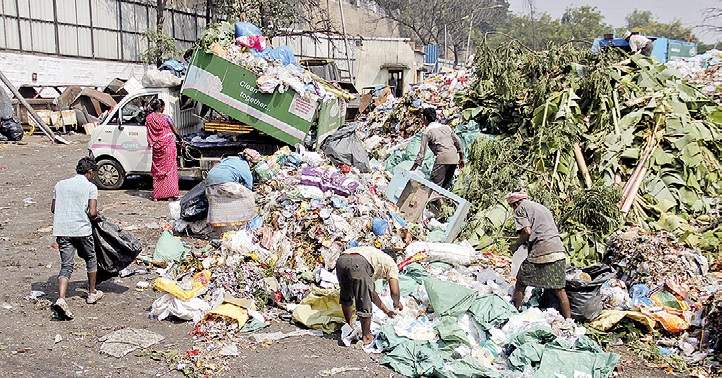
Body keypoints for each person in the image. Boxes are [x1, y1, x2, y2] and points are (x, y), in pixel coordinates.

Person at [51, 157, 103, 320]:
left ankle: (61, 298)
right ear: (89, 172)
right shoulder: (90, 187)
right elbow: (92, 213)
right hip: (81, 230)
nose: (94, 176)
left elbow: (53, 208)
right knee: (90, 258)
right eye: (93, 173)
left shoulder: (60, 185)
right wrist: (96, 218)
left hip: (62, 230)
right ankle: (92, 293)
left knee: (66, 265)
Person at [507, 191, 572, 319]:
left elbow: (527, 231)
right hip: (558, 249)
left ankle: (513, 313)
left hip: (542, 249)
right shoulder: (542, 208)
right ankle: (569, 321)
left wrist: (516, 245)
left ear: (514, 204)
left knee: (521, 282)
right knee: (559, 289)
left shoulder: (520, 209)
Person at [336, 246, 403, 345]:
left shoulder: (374, 255)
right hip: (358, 263)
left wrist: (387, 311)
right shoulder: (391, 263)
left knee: (346, 293)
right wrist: (397, 303)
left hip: (341, 260)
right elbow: (395, 292)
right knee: (364, 300)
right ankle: (366, 336)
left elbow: (372, 293)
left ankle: (350, 326)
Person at [410, 107, 465, 190]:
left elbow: (421, 154)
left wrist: (412, 169)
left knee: (434, 187)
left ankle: (436, 202)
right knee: (445, 188)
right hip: (454, 158)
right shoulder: (447, 127)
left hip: (443, 158)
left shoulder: (427, 132)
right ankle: (443, 202)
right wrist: (461, 158)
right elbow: (458, 142)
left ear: (424, 118)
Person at [205, 149, 261, 228]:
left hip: (209, 182)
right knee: (248, 196)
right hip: (224, 182)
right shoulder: (244, 165)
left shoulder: (230, 159)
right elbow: (249, 185)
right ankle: (246, 222)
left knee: (218, 203)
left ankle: (218, 227)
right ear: (250, 162)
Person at [146, 98, 180, 201]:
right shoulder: (166, 118)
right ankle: (170, 194)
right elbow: (175, 130)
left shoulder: (149, 118)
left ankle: (158, 195)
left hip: (157, 147)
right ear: (161, 108)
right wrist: (181, 139)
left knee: (158, 171)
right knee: (170, 170)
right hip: (168, 146)